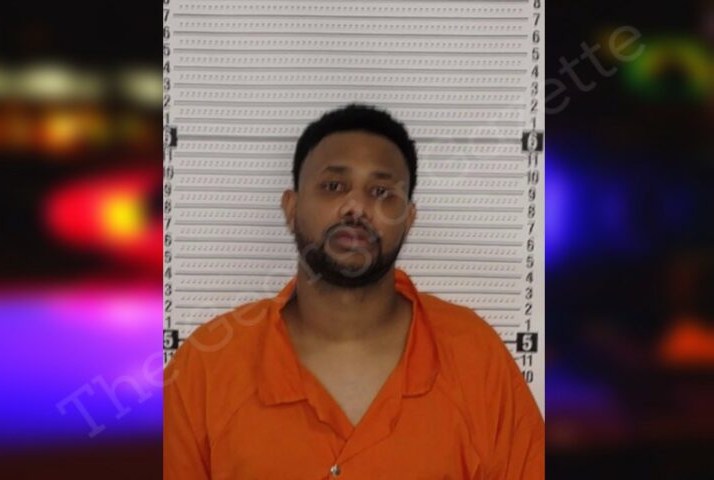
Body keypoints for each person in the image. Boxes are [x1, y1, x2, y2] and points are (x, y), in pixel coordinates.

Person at [164, 104, 544, 479]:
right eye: (333, 186)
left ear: (408, 219)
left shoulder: (475, 358)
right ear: (291, 208)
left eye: (381, 191)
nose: (357, 207)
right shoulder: (207, 368)